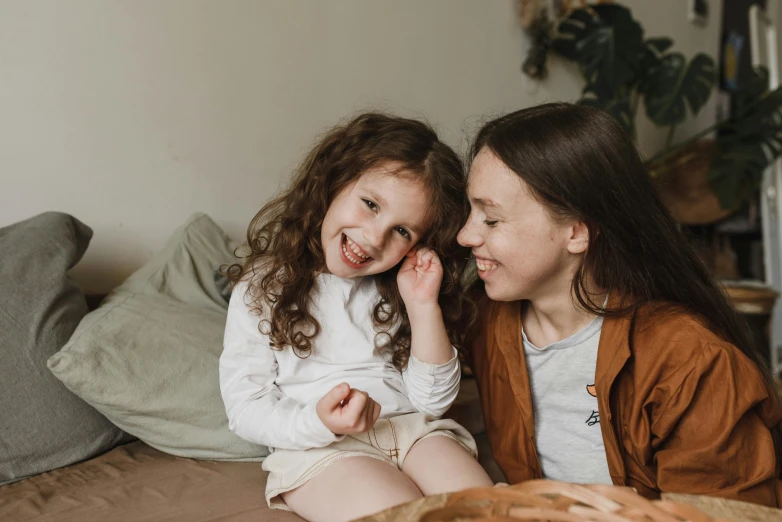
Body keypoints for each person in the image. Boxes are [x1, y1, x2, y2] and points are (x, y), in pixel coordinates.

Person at [457, 103, 782, 506]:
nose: (465, 235)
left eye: (491, 220)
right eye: (469, 211)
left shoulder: (691, 361)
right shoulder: (484, 321)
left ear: (577, 232)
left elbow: (723, 514)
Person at [220, 112, 493, 522]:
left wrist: (422, 307)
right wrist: (318, 422)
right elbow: (245, 408)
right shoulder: (263, 289)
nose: (374, 237)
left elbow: (431, 402)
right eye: (370, 205)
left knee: (491, 512)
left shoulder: (398, 286)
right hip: (323, 447)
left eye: (402, 231)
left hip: (414, 431)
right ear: (334, 181)